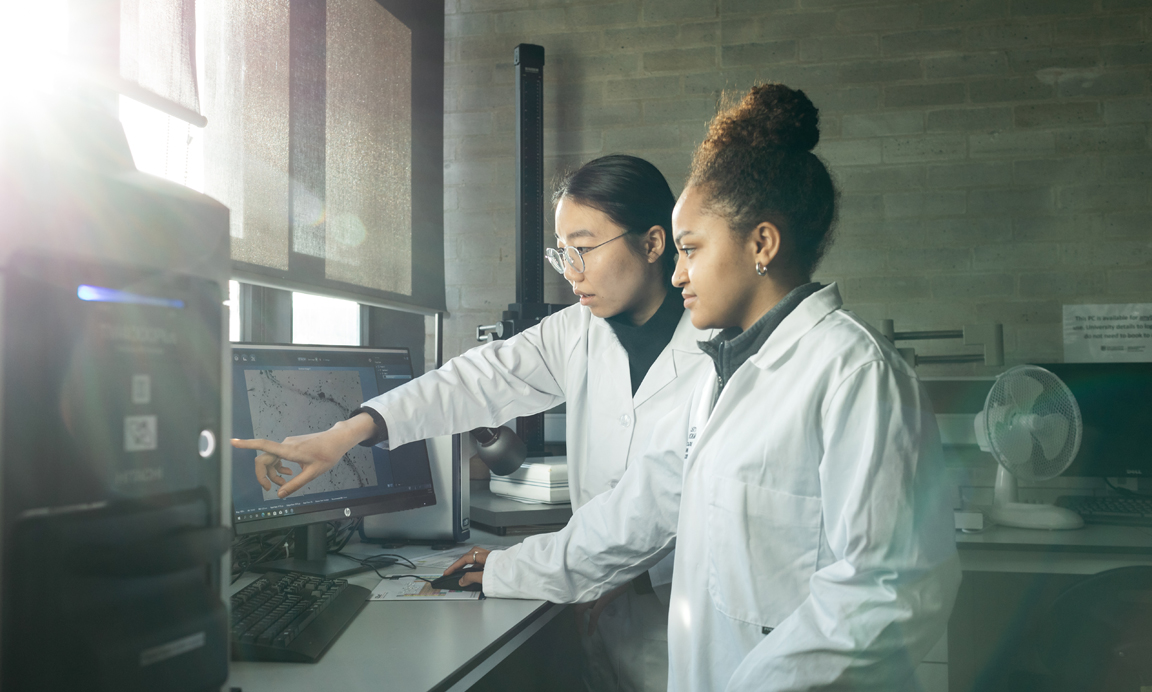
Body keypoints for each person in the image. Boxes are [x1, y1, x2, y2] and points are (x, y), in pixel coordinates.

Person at [446, 84, 961, 691]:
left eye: (689, 248)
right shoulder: (725, 377)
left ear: (761, 244)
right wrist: (510, 569)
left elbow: (890, 593)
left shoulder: (855, 373)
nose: (677, 271)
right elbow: (640, 509)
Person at [232, 154, 714, 692]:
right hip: (599, 603)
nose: (571, 272)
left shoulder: (717, 354)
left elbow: (652, 514)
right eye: (562, 254)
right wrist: (347, 433)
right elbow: (471, 381)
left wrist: (520, 568)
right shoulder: (577, 331)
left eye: (583, 249)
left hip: (680, 619)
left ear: (652, 244)